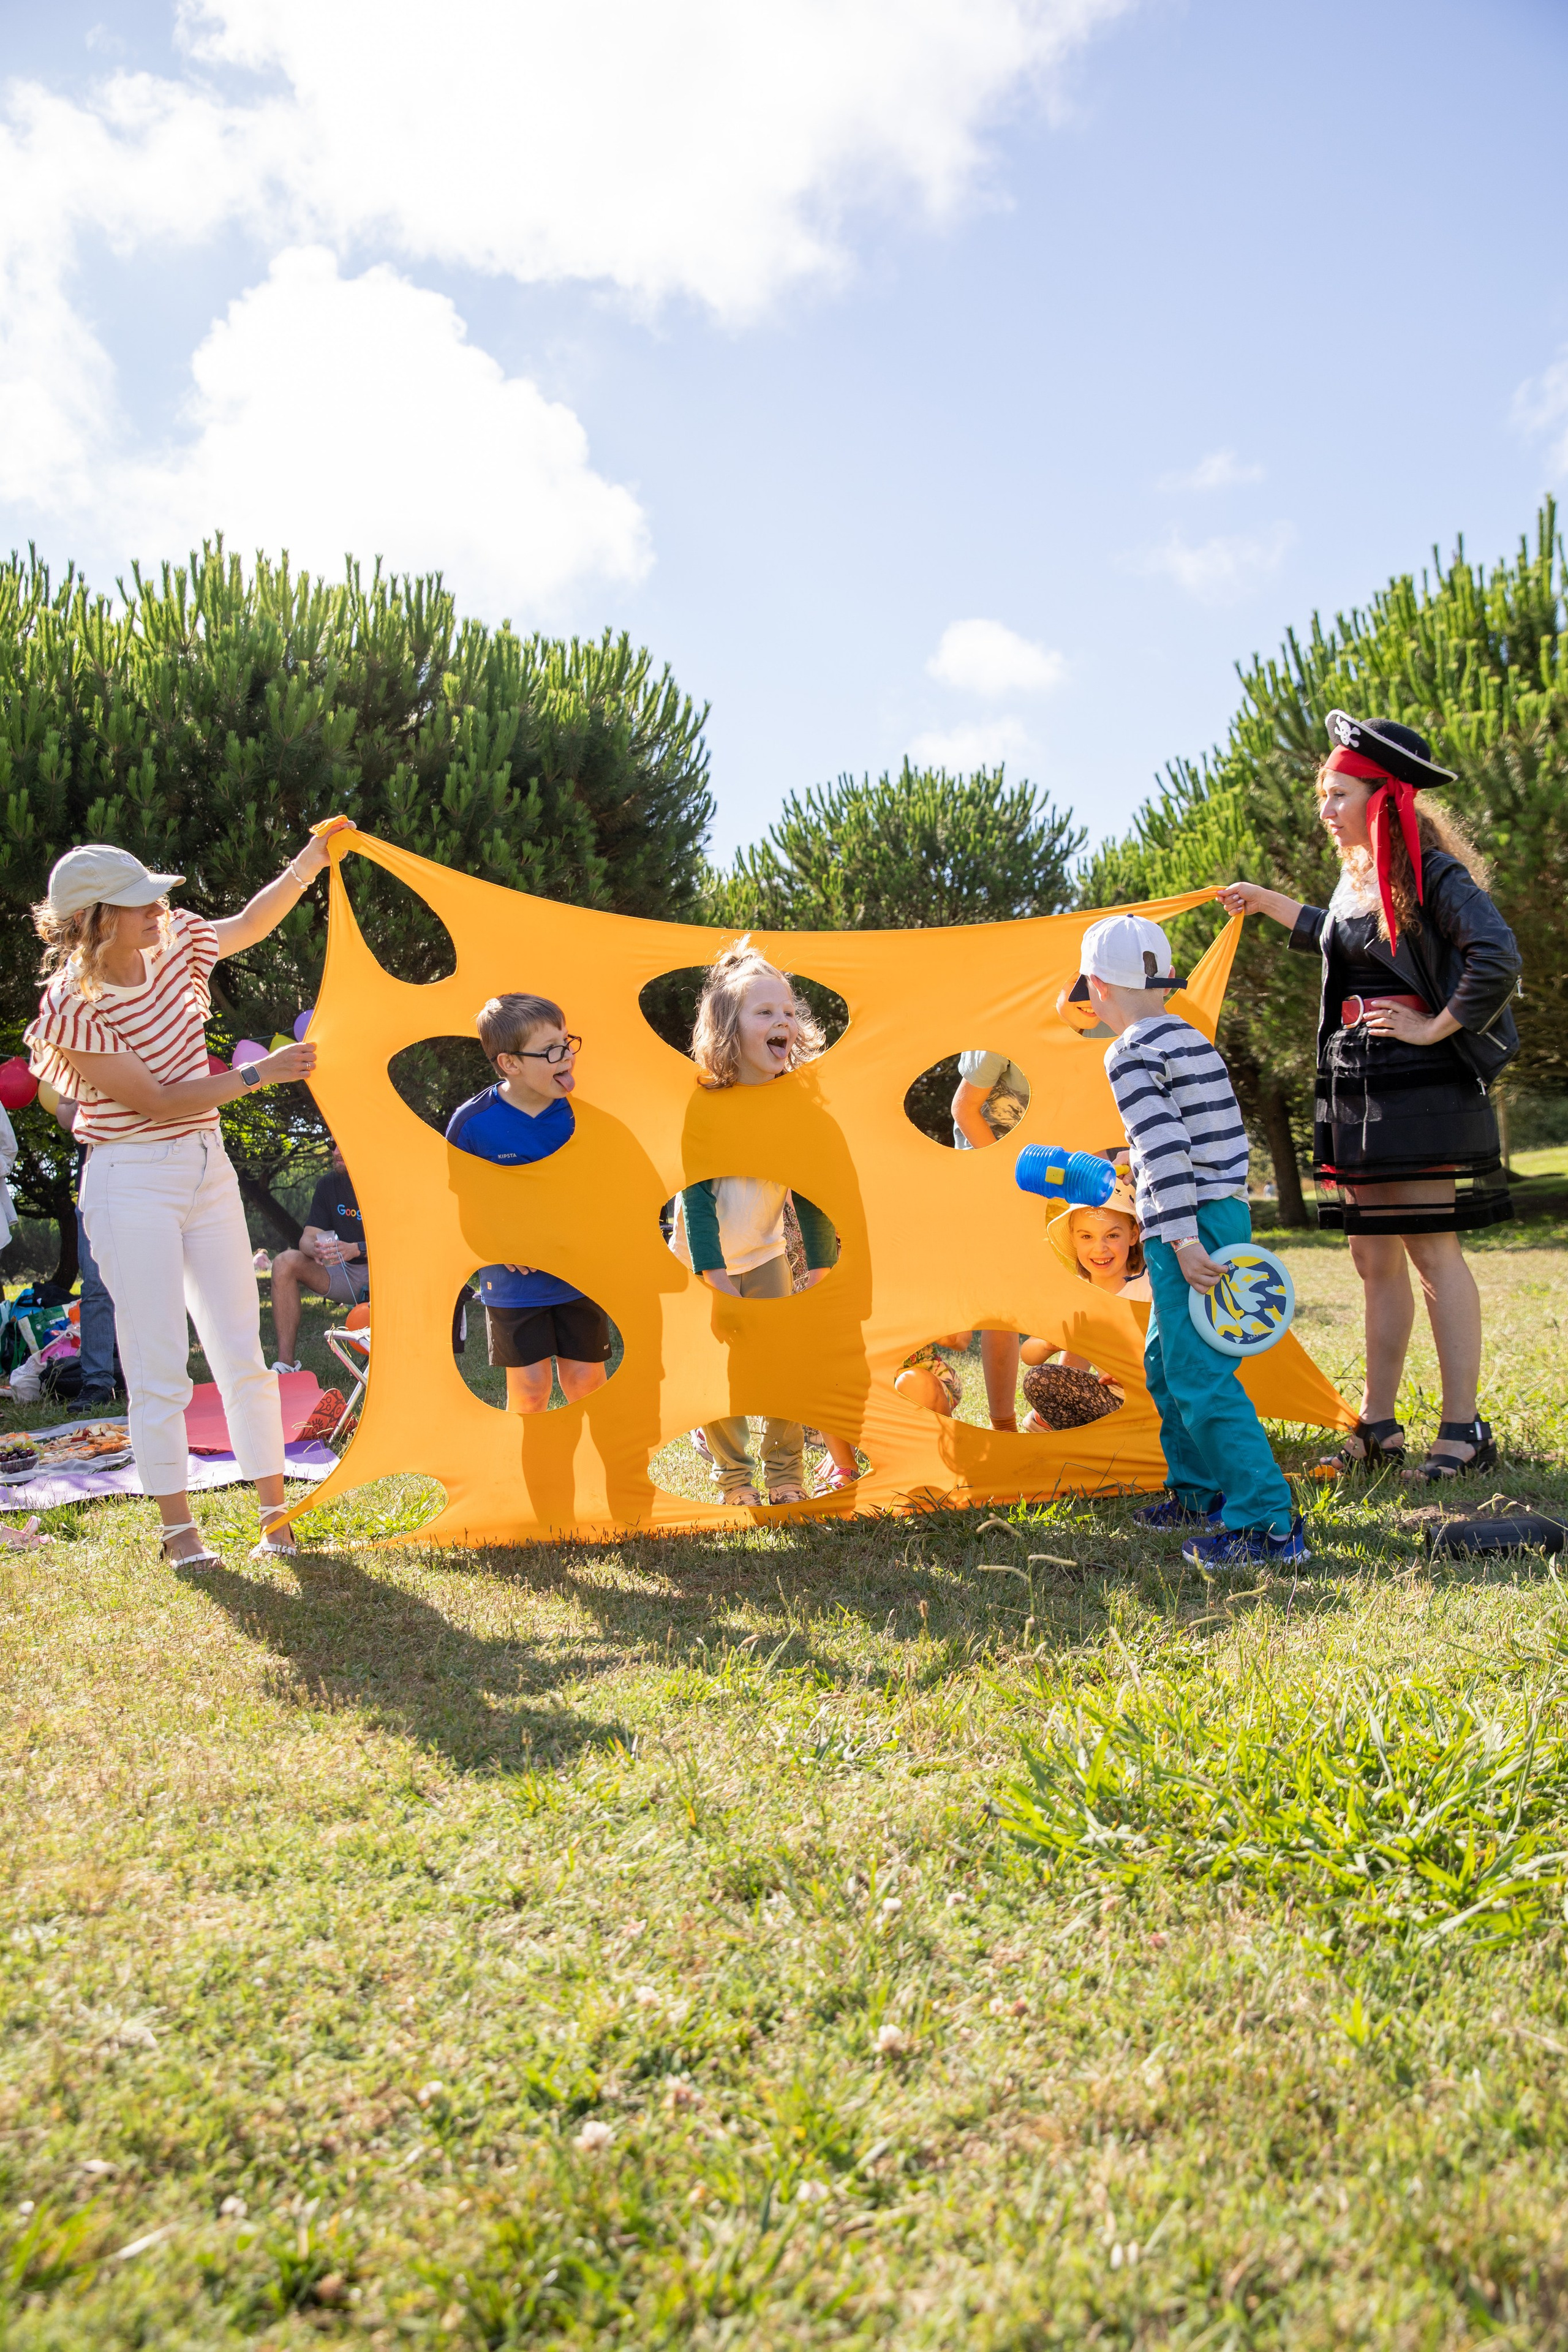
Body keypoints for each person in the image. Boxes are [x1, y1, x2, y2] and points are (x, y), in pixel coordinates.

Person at [25, 827, 352, 1565]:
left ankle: (276, 1520)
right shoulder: (71, 1006)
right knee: (159, 1359)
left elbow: (249, 924)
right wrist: (261, 1075)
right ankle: (180, 1534)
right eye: (138, 902)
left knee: (243, 1347)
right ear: (96, 919)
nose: (157, 909)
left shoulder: (176, 942)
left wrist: (310, 860)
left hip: (204, 1167)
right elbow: (157, 1101)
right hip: (128, 1175)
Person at [1219, 710, 1520, 1482]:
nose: (1323, 811)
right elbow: (1339, 937)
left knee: (1430, 1252)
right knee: (1369, 1258)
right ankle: (1378, 1425)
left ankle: (1463, 1430)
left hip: (1419, 1089)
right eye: (1323, 794)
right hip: (1356, 1085)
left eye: (1336, 794)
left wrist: (1433, 1027)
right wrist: (1265, 902)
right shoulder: (1359, 875)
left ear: (1382, 796)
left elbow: (1496, 954)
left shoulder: (1434, 873)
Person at [1071, 911, 1306, 1567]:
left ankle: (1267, 1524)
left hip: (1191, 1225)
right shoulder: (1187, 1037)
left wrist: (1176, 1236)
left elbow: (1168, 1146)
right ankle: (1198, 1491)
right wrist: (1136, 1170)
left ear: (1096, 986)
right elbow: (1195, 1138)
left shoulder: (1128, 1051)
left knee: (1200, 1378)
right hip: (1217, 1210)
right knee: (1165, 1364)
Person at [672, 940, 837, 1508]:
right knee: (720, 1371)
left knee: (783, 1361)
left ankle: (787, 1471)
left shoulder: (798, 1107)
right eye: (764, 1012)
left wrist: (820, 1268)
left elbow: (813, 1196)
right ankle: (735, 1480)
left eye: (789, 1012)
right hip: (704, 1258)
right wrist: (712, 1278)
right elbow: (695, 1199)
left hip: (766, 1252)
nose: (783, 1022)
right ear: (728, 1027)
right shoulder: (706, 1105)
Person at [445, 994, 612, 1414]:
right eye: (551, 1051)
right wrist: (502, 1243)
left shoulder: (583, 1114)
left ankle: (600, 1474)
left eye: (566, 1043)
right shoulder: (472, 1125)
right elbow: (463, 1204)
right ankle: (533, 1480)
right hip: (513, 1282)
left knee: (587, 1380)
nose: (566, 1057)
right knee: (531, 1388)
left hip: (579, 1271)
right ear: (511, 1064)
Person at [1017, 1174, 1150, 1430]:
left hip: (1160, 1402)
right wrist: (1049, 1343)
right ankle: (1079, 1437)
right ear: (1074, 1239)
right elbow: (1028, 1355)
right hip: (1112, 1405)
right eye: (1087, 1237)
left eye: (1112, 1236)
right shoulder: (1079, 1290)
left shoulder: (1149, 1287)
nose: (1100, 1249)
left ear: (1133, 1235)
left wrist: (1140, 1375)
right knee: (1039, 1379)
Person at [950, 1049, 1031, 1432]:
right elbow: (964, 1109)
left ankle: (1057, 1412)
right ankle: (1004, 1425)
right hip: (993, 1170)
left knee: (1088, 1273)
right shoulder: (1001, 1036)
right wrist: (1009, 1177)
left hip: (1061, 1170)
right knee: (1004, 1300)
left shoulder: (1108, 1020)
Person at [47, 1096, 121, 1406]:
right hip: (93, 1185)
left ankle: (151, 1374)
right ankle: (98, 1381)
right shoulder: (81, 1055)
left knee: (152, 1282)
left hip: (146, 1179)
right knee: (95, 1286)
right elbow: (65, 1116)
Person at [268, 1142, 366, 1371]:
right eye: (332, 1145)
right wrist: (314, 1249)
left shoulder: (384, 1182)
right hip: (342, 1272)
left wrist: (358, 1248)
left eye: (342, 1144)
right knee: (285, 1262)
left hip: (385, 1272)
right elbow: (307, 1237)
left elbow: (403, 1241)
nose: (336, 1152)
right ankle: (285, 1364)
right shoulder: (328, 1185)